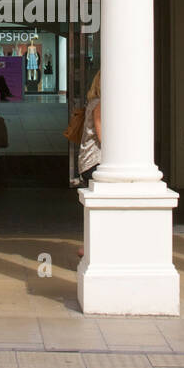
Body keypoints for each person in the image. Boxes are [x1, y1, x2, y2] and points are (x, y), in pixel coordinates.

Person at [77, 71, 102, 259]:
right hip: (94, 161)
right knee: (103, 204)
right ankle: (91, 245)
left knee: (97, 204)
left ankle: (92, 244)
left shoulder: (94, 103)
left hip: (89, 161)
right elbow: (103, 136)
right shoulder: (99, 105)